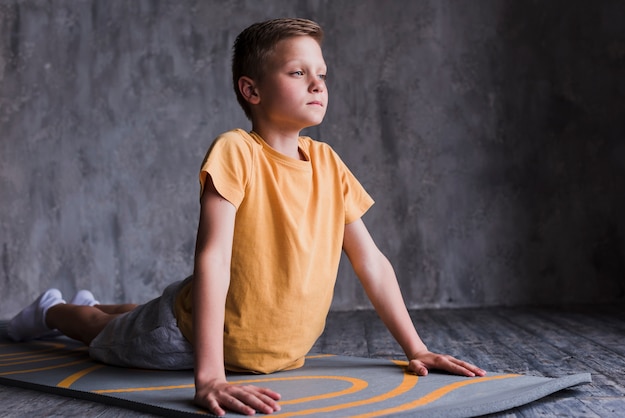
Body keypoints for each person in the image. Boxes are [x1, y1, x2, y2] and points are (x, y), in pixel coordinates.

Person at [7, 18, 486, 416]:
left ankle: (123, 308)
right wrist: (210, 375)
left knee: (148, 310)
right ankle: (51, 308)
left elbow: (372, 263)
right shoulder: (236, 151)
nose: (317, 83)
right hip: (185, 339)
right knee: (97, 329)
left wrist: (416, 348)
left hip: (250, 339)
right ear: (251, 89)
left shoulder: (328, 163)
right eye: (298, 73)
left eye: (321, 72)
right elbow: (212, 258)